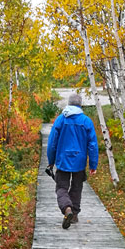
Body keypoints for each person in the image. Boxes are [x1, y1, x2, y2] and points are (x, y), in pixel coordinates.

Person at [46, 92, 99, 229]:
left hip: (63, 161)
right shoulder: (86, 121)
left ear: (68, 104)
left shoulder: (60, 120)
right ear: (80, 105)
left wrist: (51, 161)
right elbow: (92, 145)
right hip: (79, 161)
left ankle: (66, 208)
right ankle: (74, 214)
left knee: (61, 187)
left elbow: (52, 143)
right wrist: (93, 164)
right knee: (77, 187)